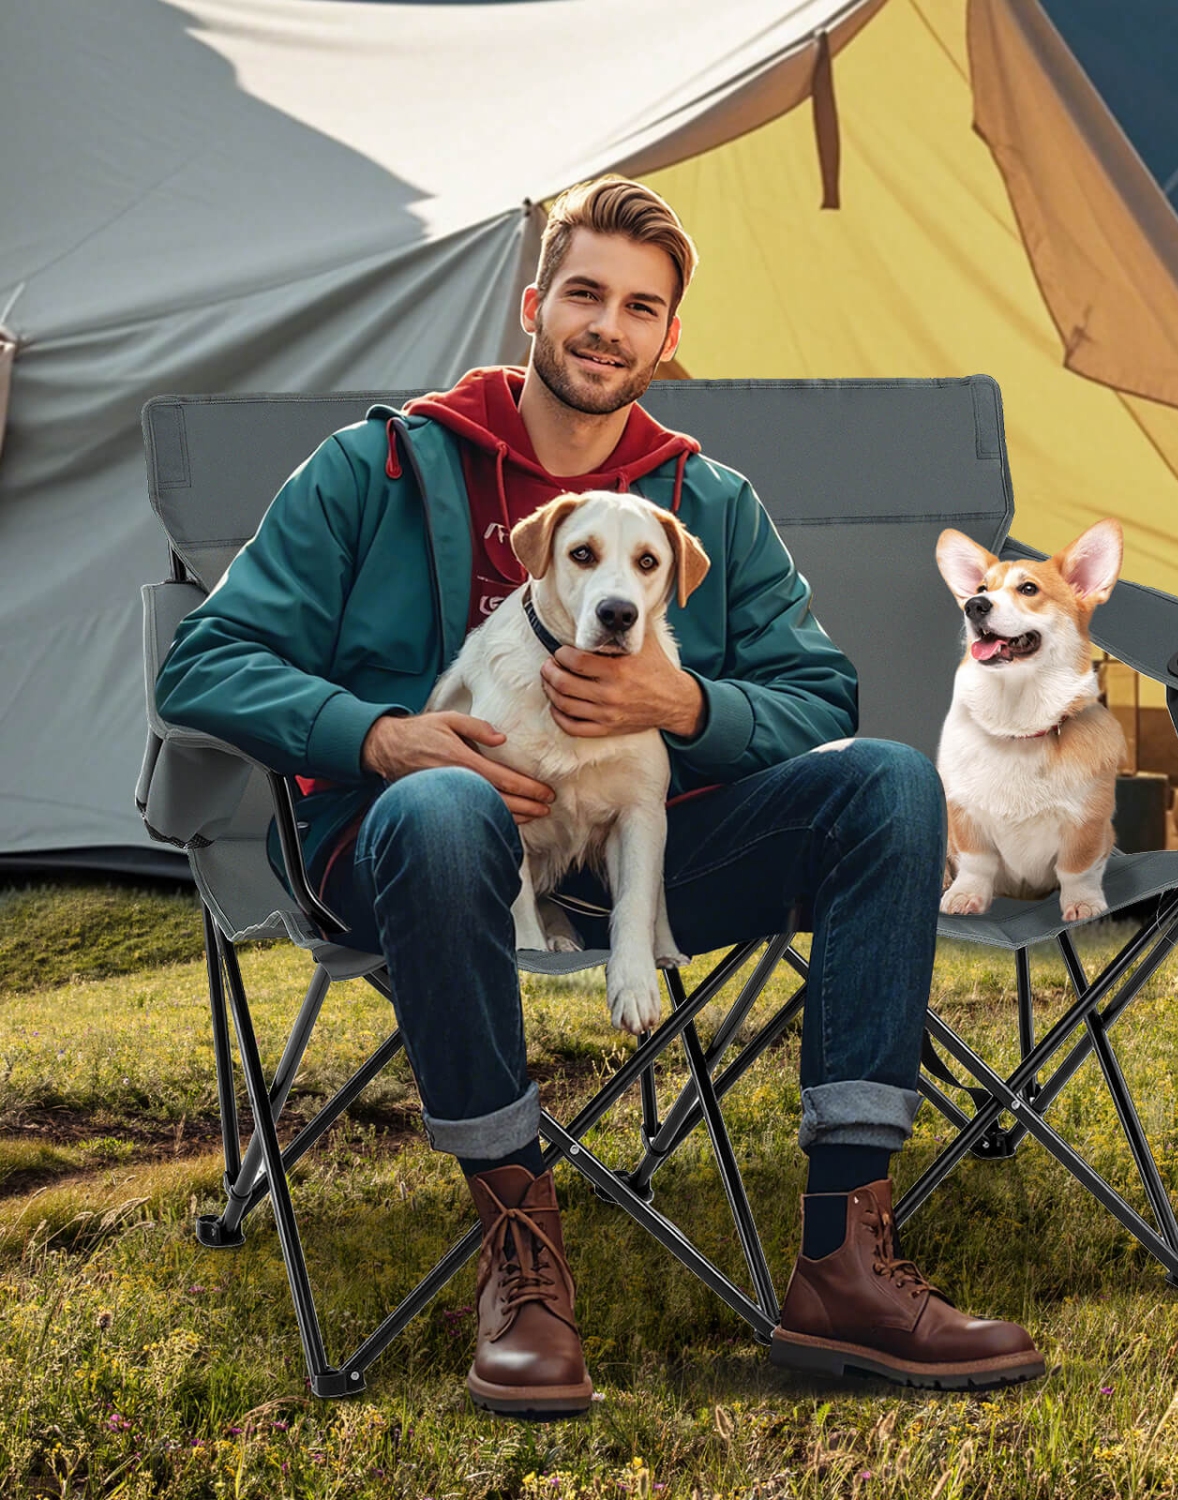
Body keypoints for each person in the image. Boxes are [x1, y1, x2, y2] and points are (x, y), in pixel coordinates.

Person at [155, 177, 1044, 1416]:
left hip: (643, 849)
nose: (607, 326)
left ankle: (847, 1257)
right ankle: (522, 1265)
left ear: (666, 338)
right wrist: (383, 736)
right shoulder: (382, 469)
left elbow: (816, 696)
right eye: (584, 293)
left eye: (641, 307)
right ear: (535, 304)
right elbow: (206, 662)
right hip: (407, 850)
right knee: (444, 807)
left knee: (887, 785)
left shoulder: (704, 505)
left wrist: (684, 710)